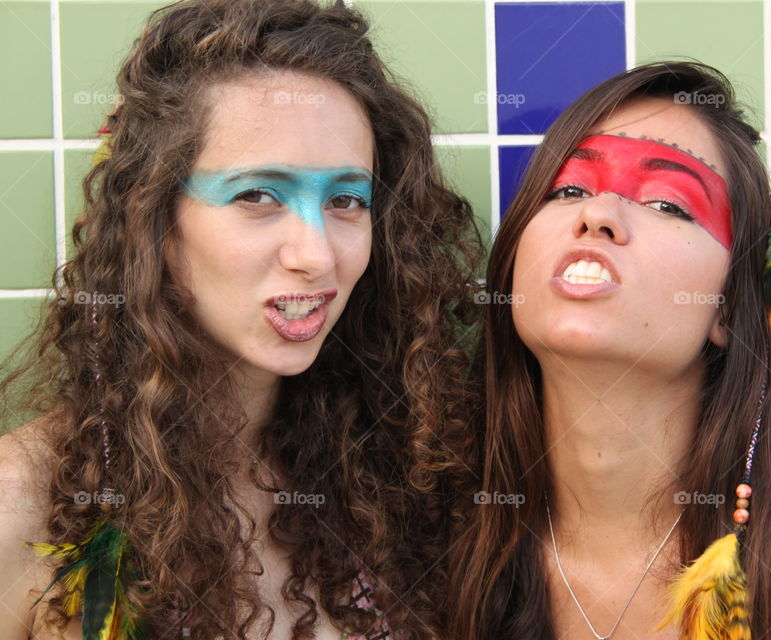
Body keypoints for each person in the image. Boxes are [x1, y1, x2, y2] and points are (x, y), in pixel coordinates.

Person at [0, 1, 482, 638]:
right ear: (156, 220)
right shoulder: (25, 501)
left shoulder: (396, 478)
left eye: (345, 199)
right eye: (257, 194)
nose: (315, 255)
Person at [448, 61, 771, 639]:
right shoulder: (438, 536)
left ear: (726, 306)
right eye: (569, 189)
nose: (597, 214)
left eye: (668, 203)